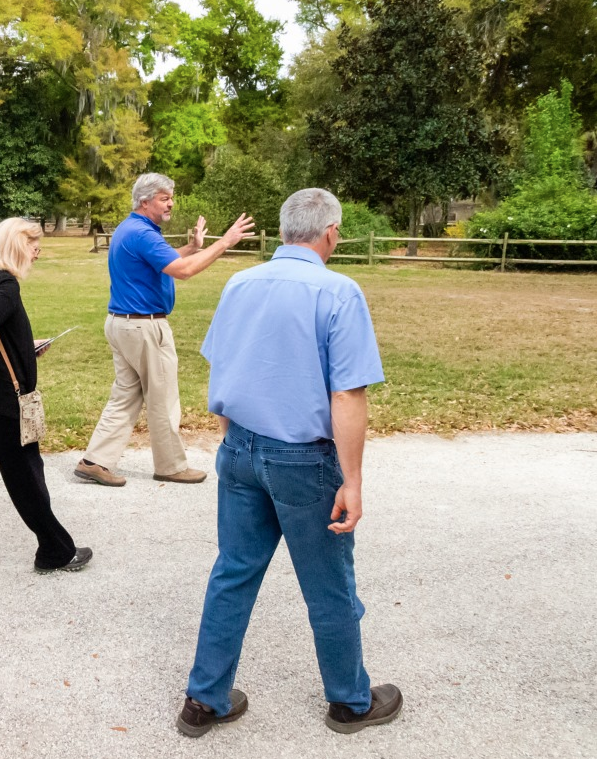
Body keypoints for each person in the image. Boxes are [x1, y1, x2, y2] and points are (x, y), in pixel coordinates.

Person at [176, 189, 401, 738]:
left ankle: (204, 700)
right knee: (328, 584)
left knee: (233, 573)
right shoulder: (339, 292)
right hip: (303, 458)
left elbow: (220, 363)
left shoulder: (240, 282)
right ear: (330, 232)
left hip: (242, 448)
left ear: (282, 232)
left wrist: (230, 435)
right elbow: (347, 396)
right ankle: (349, 701)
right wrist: (352, 480)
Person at [74, 173, 255, 487]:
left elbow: (167, 260)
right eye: (164, 198)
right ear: (145, 201)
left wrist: (192, 246)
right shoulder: (143, 234)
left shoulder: (131, 229)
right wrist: (225, 243)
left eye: (171, 197)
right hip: (145, 327)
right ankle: (170, 466)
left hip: (122, 323)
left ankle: (94, 461)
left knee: (126, 396)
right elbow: (182, 271)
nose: (171, 203)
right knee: (163, 398)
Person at [0, 218, 92, 583]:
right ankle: (56, 550)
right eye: (31, 243)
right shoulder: (6, 284)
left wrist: (25, 346)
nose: (37, 250)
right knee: (25, 472)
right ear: (13, 245)